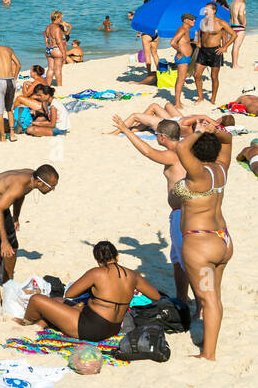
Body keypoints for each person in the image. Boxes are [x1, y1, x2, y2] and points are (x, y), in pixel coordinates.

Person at [111, 115, 192, 305]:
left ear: (162, 137)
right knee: (178, 261)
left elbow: (148, 152)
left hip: (182, 215)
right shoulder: (186, 149)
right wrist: (160, 240)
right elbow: (139, 249)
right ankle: (182, 299)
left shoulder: (173, 155)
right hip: (181, 213)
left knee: (186, 261)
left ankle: (195, 303)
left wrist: (125, 129)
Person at [174, 121, 233, 360]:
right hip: (222, 240)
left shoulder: (198, 174)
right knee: (213, 297)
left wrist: (199, 132)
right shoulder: (221, 168)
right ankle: (208, 341)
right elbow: (228, 139)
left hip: (201, 244)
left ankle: (208, 354)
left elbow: (181, 149)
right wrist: (214, 130)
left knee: (209, 300)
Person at [21, 241, 161, 340]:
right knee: (58, 301)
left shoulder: (97, 273)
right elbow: (155, 296)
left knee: (37, 300)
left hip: (91, 328)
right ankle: (40, 325)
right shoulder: (133, 275)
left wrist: (91, 288)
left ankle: (26, 323)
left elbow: (70, 294)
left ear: (97, 260)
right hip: (113, 328)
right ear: (117, 256)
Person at [0, 166, 59, 302]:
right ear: (40, 183)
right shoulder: (19, 186)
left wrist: (15, 217)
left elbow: (20, 196)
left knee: (13, 247)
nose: (53, 189)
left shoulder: (31, 179)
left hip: (1, 203)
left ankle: (8, 283)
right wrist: (4, 241)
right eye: (51, 186)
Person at [192, 3, 235, 105]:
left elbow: (234, 35)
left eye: (207, 10)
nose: (205, 12)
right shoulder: (203, 21)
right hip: (203, 51)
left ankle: (213, 98)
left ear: (214, 11)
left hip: (215, 52)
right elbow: (201, 32)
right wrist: (198, 42)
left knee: (214, 76)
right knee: (196, 75)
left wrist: (224, 47)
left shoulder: (221, 23)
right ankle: (200, 97)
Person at [169, 13, 196, 109]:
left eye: (194, 19)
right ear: (185, 20)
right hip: (183, 58)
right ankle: (177, 103)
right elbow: (172, 42)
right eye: (192, 19)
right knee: (180, 79)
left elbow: (183, 42)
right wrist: (180, 52)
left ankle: (178, 102)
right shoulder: (183, 29)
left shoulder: (186, 30)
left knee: (182, 79)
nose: (194, 21)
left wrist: (192, 43)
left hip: (186, 57)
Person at [43, 11, 67, 87]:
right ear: (57, 18)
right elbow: (59, 41)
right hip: (56, 49)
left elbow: (46, 39)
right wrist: (64, 53)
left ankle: (48, 85)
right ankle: (59, 86)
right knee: (58, 69)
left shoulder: (48, 27)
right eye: (60, 18)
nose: (61, 20)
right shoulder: (57, 28)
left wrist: (48, 46)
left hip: (49, 50)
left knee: (50, 69)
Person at [229, 0, 248, 68]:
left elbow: (230, 14)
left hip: (232, 26)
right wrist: (243, 23)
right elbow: (240, 14)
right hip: (239, 27)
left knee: (234, 46)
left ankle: (234, 63)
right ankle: (235, 64)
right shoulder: (242, 3)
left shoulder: (233, 2)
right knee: (237, 46)